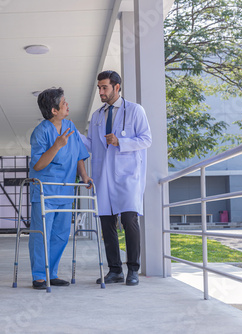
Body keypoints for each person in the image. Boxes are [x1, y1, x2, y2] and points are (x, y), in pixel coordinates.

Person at [82, 70, 152, 286]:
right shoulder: (96, 116)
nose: (101, 92)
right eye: (99, 88)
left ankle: (132, 269)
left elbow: (146, 139)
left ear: (117, 87)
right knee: (106, 222)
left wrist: (121, 142)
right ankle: (114, 270)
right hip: (104, 176)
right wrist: (74, 136)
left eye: (105, 87)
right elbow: (93, 145)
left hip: (128, 175)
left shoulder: (135, 110)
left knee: (129, 220)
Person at [28, 87, 92, 290]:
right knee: (41, 235)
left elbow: (79, 154)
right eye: (63, 102)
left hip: (65, 191)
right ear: (54, 110)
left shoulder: (70, 126)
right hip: (45, 192)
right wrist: (56, 145)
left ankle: (51, 272)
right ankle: (39, 276)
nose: (67, 104)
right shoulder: (40, 132)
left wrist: (84, 176)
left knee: (61, 235)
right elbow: (37, 165)